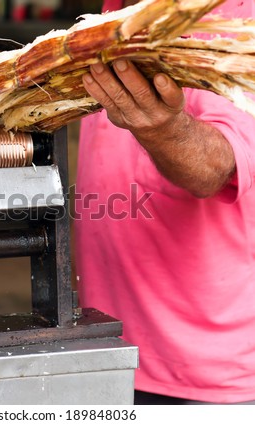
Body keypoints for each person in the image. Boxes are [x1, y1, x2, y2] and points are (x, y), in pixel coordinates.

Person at [75, 0, 255, 404]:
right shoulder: (112, 17)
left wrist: (167, 130)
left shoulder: (242, 25)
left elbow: (215, 169)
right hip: (105, 347)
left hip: (208, 375)